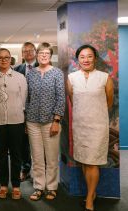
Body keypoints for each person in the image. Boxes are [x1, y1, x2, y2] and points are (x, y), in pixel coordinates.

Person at [67, 44, 114, 211]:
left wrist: (95, 114)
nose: (86, 59)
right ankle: (91, 193)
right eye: (82, 57)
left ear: (95, 58)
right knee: (85, 162)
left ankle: (89, 200)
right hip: (80, 126)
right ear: (78, 59)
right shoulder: (72, 78)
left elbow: (108, 102)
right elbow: (73, 101)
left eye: (89, 56)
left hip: (98, 126)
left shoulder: (104, 77)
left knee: (93, 163)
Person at [26, 42, 65, 201]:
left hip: (51, 121)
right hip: (32, 121)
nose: (43, 55)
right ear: (37, 55)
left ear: (50, 56)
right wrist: (26, 120)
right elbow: (27, 98)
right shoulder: (31, 73)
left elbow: (61, 98)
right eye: (41, 53)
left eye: (47, 53)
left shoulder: (57, 73)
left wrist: (57, 120)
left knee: (51, 157)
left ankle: (51, 187)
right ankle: (38, 187)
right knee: (36, 157)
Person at [0, 48, 27, 199]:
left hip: (16, 121)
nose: (3, 60)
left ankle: (16, 185)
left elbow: (23, 98)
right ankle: (3, 185)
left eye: (6, 57)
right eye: (0, 58)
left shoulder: (20, 77)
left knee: (16, 154)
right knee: (2, 154)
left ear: (11, 59)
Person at [14, 41, 38, 182]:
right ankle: (25, 169)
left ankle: (41, 173)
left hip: (38, 113)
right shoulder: (17, 69)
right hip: (21, 112)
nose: (28, 53)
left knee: (38, 144)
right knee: (23, 144)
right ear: (22, 54)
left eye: (31, 50)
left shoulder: (43, 67)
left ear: (35, 52)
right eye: (25, 51)